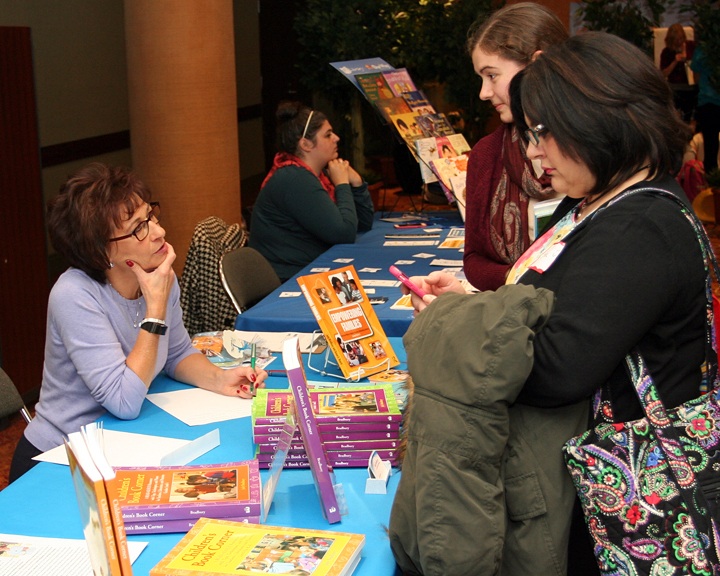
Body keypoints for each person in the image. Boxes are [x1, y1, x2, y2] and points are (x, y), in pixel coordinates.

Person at [397, 32, 705, 574]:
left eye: (544, 133)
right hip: (581, 486)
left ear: (597, 122)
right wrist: (474, 298)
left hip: (622, 506)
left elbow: (555, 368)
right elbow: (548, 300)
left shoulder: (641, 227)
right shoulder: (600, 201)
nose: (534, 152)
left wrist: (453, 326)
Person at [9, 164, 267, 483]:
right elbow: (123, 400)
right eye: (138, 228)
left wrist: (219, 378)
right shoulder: (73, 295)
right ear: (102, 251)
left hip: (121, 444)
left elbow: (175, 354)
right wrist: (155, 309)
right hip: (61, 459)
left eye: (151, 216)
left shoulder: (159, 274)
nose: (157, 231)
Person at [463, 2, 568, 291]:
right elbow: (473, 259)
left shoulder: (591, 152)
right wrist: (525, 280)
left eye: (492, 75)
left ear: (537, 66)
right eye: (481, 78)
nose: (484, 93)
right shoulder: (485, 156)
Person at [248, 102, 374, 281]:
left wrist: (356, 183)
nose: (336, 138)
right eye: (328, 135)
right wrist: (342, 185)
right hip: (289, 281)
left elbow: (362, 225)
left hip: (311, 270)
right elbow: (344, 233)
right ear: (306, 144)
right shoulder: (294, 179)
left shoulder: (316, 175)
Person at [691, 38, 720, 174]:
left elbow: (696, 77)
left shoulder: (702, 50)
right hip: (709, 101)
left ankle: (711, 185)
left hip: (707, 101)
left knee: (710, 148)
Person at [660, 23, 696, 123]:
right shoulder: (666, 52)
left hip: (691, 85)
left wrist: (688, 60)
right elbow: (664, 74)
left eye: (681, 39)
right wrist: (675, 62)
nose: (680, 42)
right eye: (677, 40)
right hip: (675, 86)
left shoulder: (691, 46)